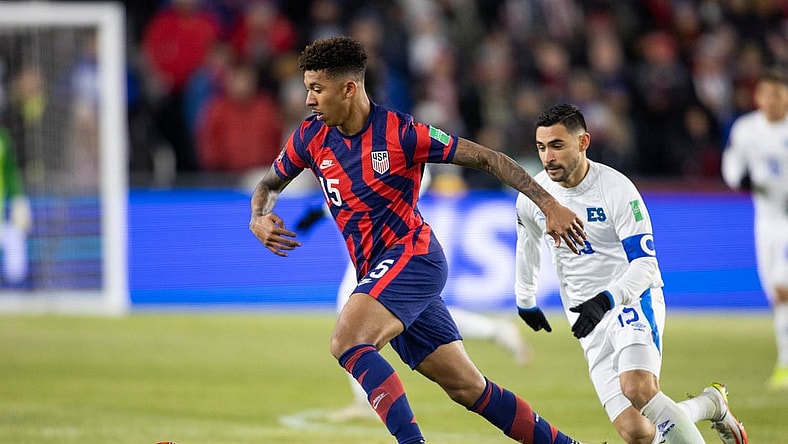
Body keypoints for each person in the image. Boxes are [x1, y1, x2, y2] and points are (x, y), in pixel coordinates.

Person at [249, 36, 587, 444]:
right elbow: (268, 184)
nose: (308, 100)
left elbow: (489, 159)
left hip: (414, 257)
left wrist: (549, 204)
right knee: (468, 388)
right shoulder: (310, 138)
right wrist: (259, 216)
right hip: (378, 272)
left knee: (348, 341)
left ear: (349, 88)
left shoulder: (402, 134)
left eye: (317, 89)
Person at [514, 103, 748, 444]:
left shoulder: (615, 189)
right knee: (636, 432)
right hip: (586, 318)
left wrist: (608, 298)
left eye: (557, 145)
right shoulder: (535, 195)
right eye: (541, 147)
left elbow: (645, 264)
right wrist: (525, 298)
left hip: (631, 300)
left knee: (638, 387)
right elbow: (528, 243)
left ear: (583, 142)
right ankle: (710, 404)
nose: (548, 156)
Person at [294, 167, 531, 422]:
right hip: (374, 250)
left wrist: (320, 211)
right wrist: (322, 211)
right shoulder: (379, 144)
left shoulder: (403, 150)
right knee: (418, 316)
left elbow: (370, 197)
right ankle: (496, 330)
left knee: (354, 315)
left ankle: (367, 402)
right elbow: (358, 194)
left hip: (394, 250)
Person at [721, 68, 788, 391]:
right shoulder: (747, 129)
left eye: (778, 93)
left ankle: (785, 365)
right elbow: (732, 162)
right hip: (766, 220)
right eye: (766, 94)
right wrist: (740, 179)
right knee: (774, 294)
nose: (771, 100)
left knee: (782, 288)